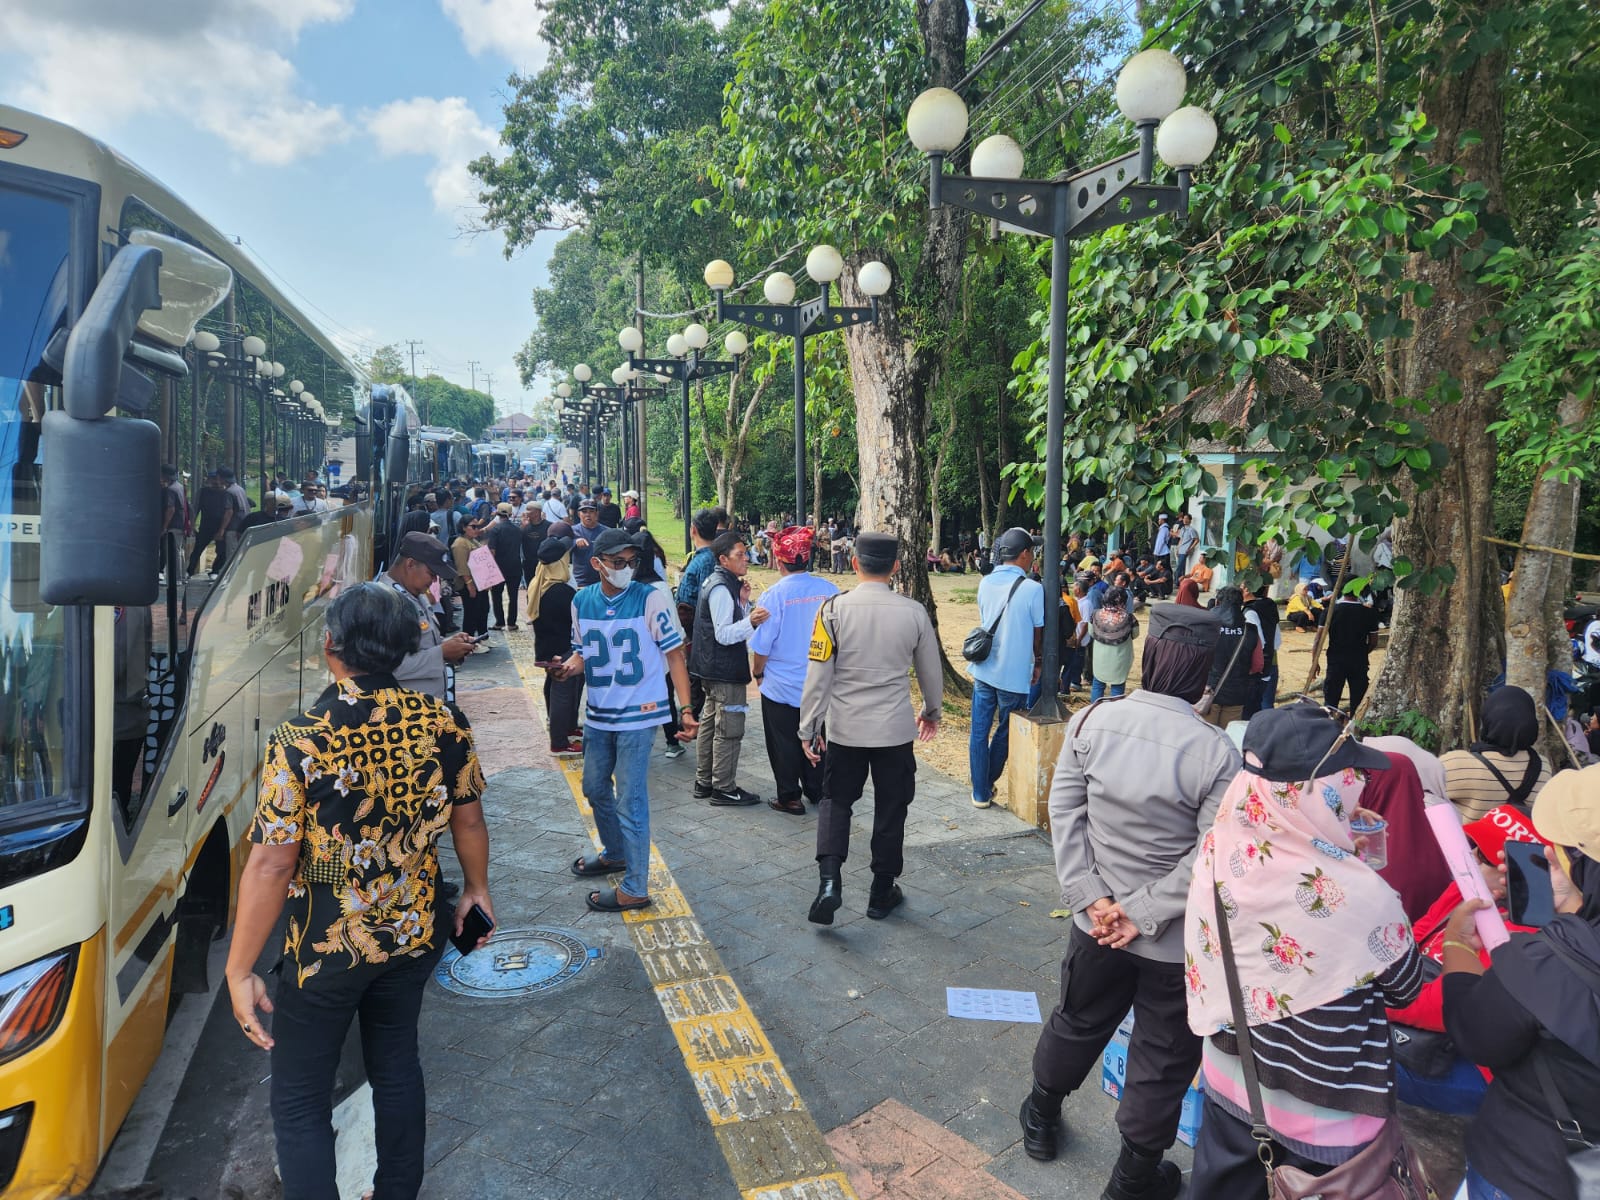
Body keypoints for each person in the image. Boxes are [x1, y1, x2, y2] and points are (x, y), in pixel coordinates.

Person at [225, 583, 492, 1200]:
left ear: (330, 645)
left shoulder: (301, 738)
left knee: (299, 1098)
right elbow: (469, 820)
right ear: (402, 649)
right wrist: (477, 890)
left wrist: (240, 970)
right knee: (396, 1065)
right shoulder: (444, 721)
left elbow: (270, 865)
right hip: (413, 932)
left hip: (325, 949)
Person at [1019, 614, 1242, 1197]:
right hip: (1169, 940)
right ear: (1205, 675)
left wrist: (1094, 897)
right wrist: (1141, 912)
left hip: (1096, 924)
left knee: (1077, 1018)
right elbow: (1208, 856)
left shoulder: (1093, 720)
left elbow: (1065, 813)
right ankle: (1132, 1179)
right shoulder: (1217, 752)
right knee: (1163, 1056)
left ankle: (1040, 1116)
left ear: (1147, 658)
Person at [1181, 706, 1422, 1198]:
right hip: (1327, 1114)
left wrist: (1336, 842)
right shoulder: (1362, 897)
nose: (1355, 785)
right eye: (1345, 776)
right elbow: (1406, 988)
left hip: (1233, 1079)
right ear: (1315, 791)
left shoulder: (1218, 849)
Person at [1441, 762, 1600, 1200]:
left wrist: (1457, 945)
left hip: (1533, 1171)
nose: (1547, 854)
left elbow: (1477, 1037)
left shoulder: (1546, 961)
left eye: (1562, 849)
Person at [550, 529, 698, 912]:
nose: (626, 569)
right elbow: (582, 652)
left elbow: (675, 654)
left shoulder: (649, 598)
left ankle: (635, 887)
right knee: (594, 787)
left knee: (630, 800)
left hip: (640, 714)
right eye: (618, 562)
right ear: (597, 564)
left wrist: (685, 709)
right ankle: (615, 852)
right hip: (600, 714)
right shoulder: (581, 601)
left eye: (632, 562)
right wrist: (567, 668)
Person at [801, 532, 942, 925]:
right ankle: (881, 890)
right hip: (894, 731)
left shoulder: (832, 610)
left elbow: (818, 676)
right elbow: (930, 672)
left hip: (845, 729)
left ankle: (830, 882)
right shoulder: (914, 612)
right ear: (895, 567)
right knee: (892, 806)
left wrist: (809, 727)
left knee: (835, 801)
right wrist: (931, 711)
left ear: (854, 564)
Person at [750, 526, 840, 814]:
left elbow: (762, 646)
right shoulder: (829, 591)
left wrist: (758, 672)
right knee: (816, 733)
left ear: (779, 560)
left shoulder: (773, 596)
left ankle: (789, 796)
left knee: (783, 741)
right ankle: (819, 789)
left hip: (781, 683)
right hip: (818, 682)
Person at [690, 531, 770, 807]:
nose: (746, 558)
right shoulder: (721, 587)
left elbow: (722, 623)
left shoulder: (720, 583)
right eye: (740, 555)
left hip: (711, 667)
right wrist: (752, 620)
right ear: (723, 559)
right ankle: (723, 787)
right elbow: (724, 634)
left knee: (711, 724)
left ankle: (705, 781)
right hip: (724, 670)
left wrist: (743, 604)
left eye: (746, 553)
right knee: (729, 730)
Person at [968, 528, 1046, 809]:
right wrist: (1038, 663)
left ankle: (980, 791)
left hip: (984, 667)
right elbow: (1038, 633)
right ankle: (987, 782)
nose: (1033, 556)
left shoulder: (985, 582)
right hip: (1014, 673)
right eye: (1032, 551)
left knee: (979, 731)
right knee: (1005, 729)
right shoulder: (1033, 589)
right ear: (1024, 554)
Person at [380, 530, 479, 694]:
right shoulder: (384, 602)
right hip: (406, 706)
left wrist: (450, 644)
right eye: (432, 574)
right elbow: (389, 666)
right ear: (410, 564)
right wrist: (442, 653)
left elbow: (421, 645)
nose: (433, 581)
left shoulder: (415, 594)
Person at [1440, 685, 1553, 822]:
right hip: (1520, 837)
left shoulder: (1457, 764)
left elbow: (1423, 796)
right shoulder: (1543, 767)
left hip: (1467, 836)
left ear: (1487, 718)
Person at [678, 507, 729, 744]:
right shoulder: (707, 558)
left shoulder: (704, 561)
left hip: (699, 630)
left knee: (696, 679)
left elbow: (703, 599)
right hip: (699, 629)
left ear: (693, 530)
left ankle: (691, 722)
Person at [529, 536, 582, 757]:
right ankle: (559, 743)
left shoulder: (538, 583)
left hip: (546, 648)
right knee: (563, 692)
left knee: (554, 687)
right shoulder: (561, 592)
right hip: (562, 650)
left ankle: (566, 727)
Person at [1201, 585, 1258, 727]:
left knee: (1207, 734)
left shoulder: (1206, 627)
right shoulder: (1250, 630)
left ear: (1217, 602)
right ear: (1241, 605)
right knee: (1228, 735)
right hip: (1237, 693)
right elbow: (1258, 665)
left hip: (1208, 691)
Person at [1323, 586, 1380, 712]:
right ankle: (1354, 722)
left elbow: (1318, 639)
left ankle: (1330, 720)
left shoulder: (1330, 611)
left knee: (1331, 697)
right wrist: (1363, 652)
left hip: (1335, 658)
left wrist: (1314, 660)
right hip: (1359, 660)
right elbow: (1373, 642)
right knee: (1358, 698)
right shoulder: (1369, 613)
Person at [1089, 585, 1138, 701]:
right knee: (1117, 686)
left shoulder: (1095, 615)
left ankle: (1094, 709)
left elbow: (1091, 632)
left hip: (1100, 657)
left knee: (1098, 684)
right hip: (1119, 658)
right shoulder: (1129, 618)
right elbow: (1135, 634)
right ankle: (1114, 710)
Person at [1240, 573, 1280, 715]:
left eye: (1241, 587)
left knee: (1253, 707)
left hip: (1256, 667)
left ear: (1247, 590)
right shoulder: (1270, 606)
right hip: (1271, 661)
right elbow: (1277, 640)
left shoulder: (1250, 612)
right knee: (1267, 704)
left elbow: (1257, 642)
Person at [451, 516, 491, 645]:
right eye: (473, 526)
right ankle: (469, 642)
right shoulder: (460, 543)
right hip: (469, 583)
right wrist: (469, 584)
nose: (476, 529)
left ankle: (483, 637)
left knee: (483, 609)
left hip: (479, 582)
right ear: (464, 527)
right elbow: (462, 566)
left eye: (478, 526)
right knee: (471, 613)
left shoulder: (473, 541)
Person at [484, 503, 523, 631]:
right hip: (515, 567)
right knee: (513, 596)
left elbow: (492, 552)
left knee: (496, 596)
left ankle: (499, 622)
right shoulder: (517, 530)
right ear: (510, 514)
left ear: (497, 513)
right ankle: (512, 623)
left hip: (498, 568)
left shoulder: (495, 530)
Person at [187, 470, 228, 575]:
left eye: (217, 479)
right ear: (209, 480)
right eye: (213, 479)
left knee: (221, 551)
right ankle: (190, 571)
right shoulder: (203, 492)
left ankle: (215, 571)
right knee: (197, 550)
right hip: (205, 527)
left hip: (220, 527)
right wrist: (192, 525)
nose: (216, 482)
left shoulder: (226, 493)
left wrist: (223, 529)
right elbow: (195, 509)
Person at [215, 466, 250, 572]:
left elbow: (229, 512)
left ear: (222, 478)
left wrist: (221, 530)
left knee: (232, 555)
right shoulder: (240, 489)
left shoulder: (228, 492)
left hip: (233, 528)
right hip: (243, 526)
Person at [570, 499, 610, 589]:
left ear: (597, 513)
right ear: (579, 514)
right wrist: (575, 542)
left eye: (591, 511)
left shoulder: (606, 532)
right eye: (584, 512)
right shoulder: (572, 531)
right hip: (580, 581)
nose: (588, 514)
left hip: (602, 580)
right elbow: (563, 548)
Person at [1175, 512, 1199, 578]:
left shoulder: (1191, 530)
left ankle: (1176, 581)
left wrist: (1190, 548)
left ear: (1190, 520)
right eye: (1184, 518)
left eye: (1187, 518)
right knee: (1182, 567)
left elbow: (1196, 540)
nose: (1185, 520)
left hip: (1185, 551)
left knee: (1179, 567)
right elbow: (1181, 539)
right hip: (1180, 550)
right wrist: (1177, 549)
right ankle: (1181, 581)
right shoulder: (1182, 529)